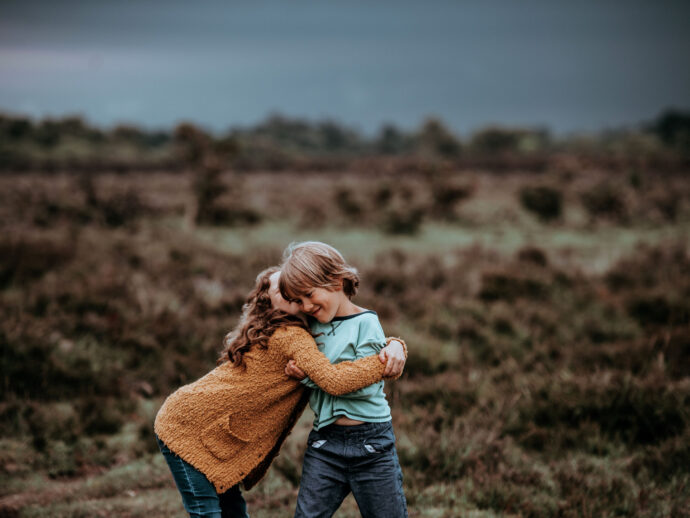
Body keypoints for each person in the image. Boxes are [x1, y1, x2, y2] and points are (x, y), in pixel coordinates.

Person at [154, 265, 407, 517]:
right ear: (270, 302)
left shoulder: (306, 327)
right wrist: (384, 362)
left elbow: (342, 343)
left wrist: (394, 345)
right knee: (207, 511)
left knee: (232, 510)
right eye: (282, 287)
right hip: (185, 427)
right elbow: (335, 378)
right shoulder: (291, 335)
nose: (290, 287)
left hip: (202, 425)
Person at [279, 241, 408, 518]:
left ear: (336, 281)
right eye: (298, 301)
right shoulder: (310, 329)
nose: (306, 305)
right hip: (325, 444)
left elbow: (364, 383)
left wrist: (309, 377)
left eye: (310, 295)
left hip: (373, 444)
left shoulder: (366, 323)